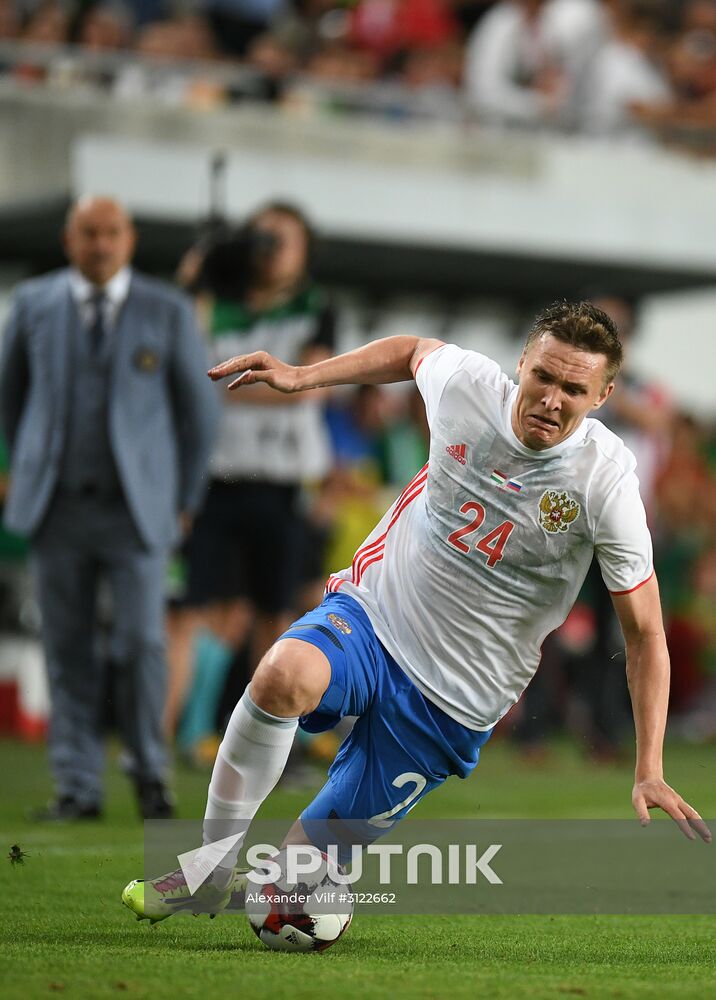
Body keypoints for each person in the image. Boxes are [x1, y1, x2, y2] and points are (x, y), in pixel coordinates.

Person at [123, 300, 710, 922]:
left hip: (458, 696)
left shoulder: (606, 484)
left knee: (284, 897)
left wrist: (650, 765)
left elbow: (646, 632)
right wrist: (301, 376)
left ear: (603, 395)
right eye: (543, 377)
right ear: (523, 364)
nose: (551, 399)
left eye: (573, 388)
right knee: (282, 675)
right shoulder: (467, 387)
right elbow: (410, 351)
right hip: (377, 617)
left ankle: (291, 882)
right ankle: (210, 865)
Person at [0, 195, 219, 821]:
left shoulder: (167, 309)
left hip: (137, 512)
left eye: (111, 233)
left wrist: (184, 498)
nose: (100, 244)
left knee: (140, 644)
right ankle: (77, 786)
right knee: (64, 647)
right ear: (70, 240)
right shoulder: (34, 304)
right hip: (57, 508)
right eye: (88, 233)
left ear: (129, 239)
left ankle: (151, 773)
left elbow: (198, 416)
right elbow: (10, 398)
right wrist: (31, 466)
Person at [165, 201, 334, 756]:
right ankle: (159, 743)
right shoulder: (219, 301)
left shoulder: (315, 307)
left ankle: (270, 749)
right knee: (189, 611)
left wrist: (217, 387)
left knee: (275, 614)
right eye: (262, 238)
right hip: (212, 481)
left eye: (283, 239)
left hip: (282, 483)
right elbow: (181, 349)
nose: (272, 250)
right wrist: (200, 270)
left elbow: (309, 384)